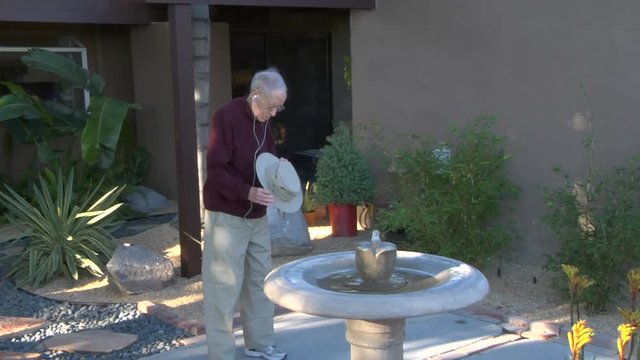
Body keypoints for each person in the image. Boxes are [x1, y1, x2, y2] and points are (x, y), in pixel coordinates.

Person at [202, 68, 288, 360]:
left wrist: (280, 172)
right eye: (271, 107)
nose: (275, 113)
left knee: (261, 283)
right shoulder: (226, 117)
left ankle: (260, 343)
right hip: (227, 217)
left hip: (257, 218)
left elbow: (266, 161)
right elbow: (215, 171)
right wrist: (246, 191)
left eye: (280, 107)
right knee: (223, 289)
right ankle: (222, 354)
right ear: (256, 95)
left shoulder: (264, 121)